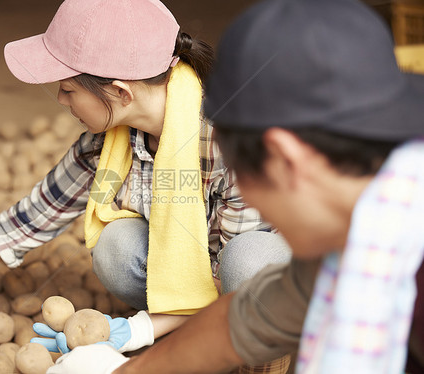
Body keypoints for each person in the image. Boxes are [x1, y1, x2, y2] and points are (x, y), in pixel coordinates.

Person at [0, 0, 290, 371]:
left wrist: (136, 331)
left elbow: (227, 278)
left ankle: (261, 358)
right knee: (117, 247)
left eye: (67, 90)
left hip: (280, 274)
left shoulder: (232, 137)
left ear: (120, 91)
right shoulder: (108, 142)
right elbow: (26, 222)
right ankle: (182, 331)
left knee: (249, 262)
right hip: (205, 277)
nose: (62, 102)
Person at [44, 0, 424, 373]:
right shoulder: (361, 220)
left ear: (284, 159)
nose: (258, 211)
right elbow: (256, 314)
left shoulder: (389, 272)